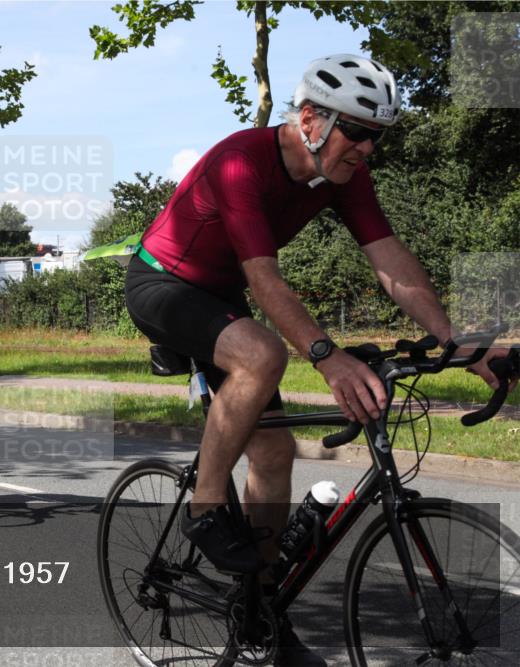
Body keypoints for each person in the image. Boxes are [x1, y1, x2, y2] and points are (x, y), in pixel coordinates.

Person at [124, 53, 510, 666]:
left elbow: (390, 260)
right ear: (311, 119)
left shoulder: (346, 176)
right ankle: (203, 507)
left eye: (376, 135)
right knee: (264, 351)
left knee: (276, 453)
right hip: (161, 282)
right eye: (357, 131)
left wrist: (453, 341)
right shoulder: (240, 162)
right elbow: (265, 278)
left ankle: (260, 610)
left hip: (219, 294)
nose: (367, 148)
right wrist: (328, 358)